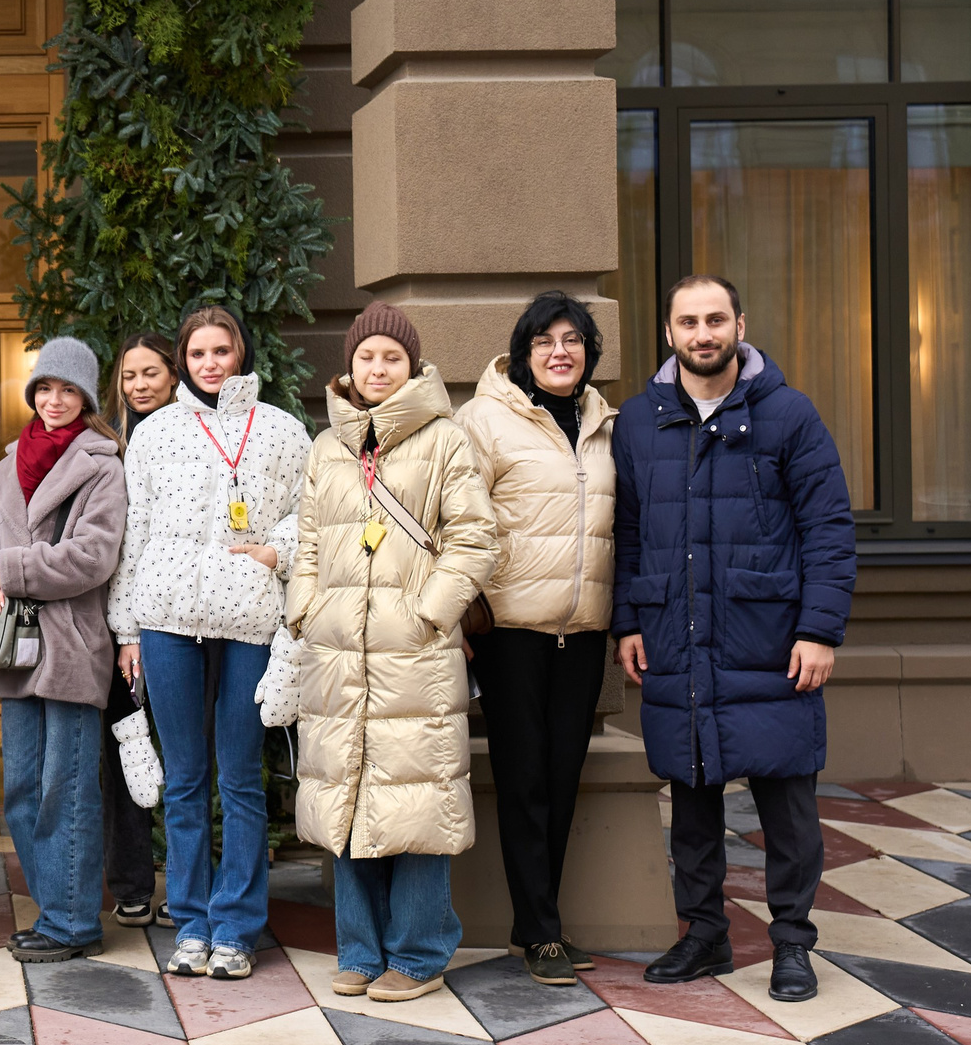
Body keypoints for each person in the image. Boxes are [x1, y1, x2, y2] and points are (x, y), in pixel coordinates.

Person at [616, 276, 855, 1005]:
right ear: (669, 332)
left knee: (787, 802)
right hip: (675, 640)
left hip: (769, 639)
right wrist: (627, 618)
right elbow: (625, 532)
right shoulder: (637, 421)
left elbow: (829, 530)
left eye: (715, 318)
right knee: (691, 799)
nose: (703, 333)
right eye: (688, 321)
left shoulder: (789, 415)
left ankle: (792, 942)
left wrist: (819, 629)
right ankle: (704, 933)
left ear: (740, 324)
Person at [288, 303, 499, 1002]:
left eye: (392, 358)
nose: (377, 369)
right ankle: (359, 945)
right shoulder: (328, 446)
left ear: (414, 366)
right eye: (367, 357)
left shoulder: (445, 440)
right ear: (349, 365)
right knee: (347, 799)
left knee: (415, 806)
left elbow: (474, 537)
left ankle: (418, 951)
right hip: (340, 653)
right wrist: (307, 608)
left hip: (414, 653)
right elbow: (311, 540)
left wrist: (427, 614)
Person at [111, 305, 309, 980]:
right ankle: (191, 922)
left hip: (249, 621)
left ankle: (238, 926)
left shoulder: (283, 430)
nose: (209, 363)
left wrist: (274, 551)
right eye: (197, 353)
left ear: (240, 353)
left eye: (221, 350)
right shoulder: (155, 433)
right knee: (185, 780)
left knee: (240, 778)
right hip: (168, 620)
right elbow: (132, 533)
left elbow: (307, 517)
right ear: (184, 361)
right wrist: (126, 629)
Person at [456, 293, 618, 987]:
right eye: (545, 340)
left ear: (588, 350)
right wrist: (463, 612)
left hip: (581, 631)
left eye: (573, 339)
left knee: (561, 776)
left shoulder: (604, 422)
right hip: (512, 629)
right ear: (522, 352)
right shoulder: (483, 421)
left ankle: (539, 920)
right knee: (523, 780)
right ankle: (541, 930)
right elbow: (455, 519)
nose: (560, 351)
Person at [0, 338, 127, 963]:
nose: (54, 401)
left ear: (85, 398)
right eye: (45, 389)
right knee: (23, 789)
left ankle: (74, 920)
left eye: (68, 391)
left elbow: (92, 557)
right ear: (33, 394)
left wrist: (8, 567)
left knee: (69, 788)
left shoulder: (102, 465)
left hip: (72, 647)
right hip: (15, 647)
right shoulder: (10, 465)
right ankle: (56, 906)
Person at [103, 331, 178, 927]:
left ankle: (183, 883)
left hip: (177, 619)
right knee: (126, 750)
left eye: (150, 373)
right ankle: (131, 884)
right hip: (113, 625)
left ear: (173, 376)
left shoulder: (189, 437)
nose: (139, 385)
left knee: (181, 755)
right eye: (130, 376)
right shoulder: (106, 443)